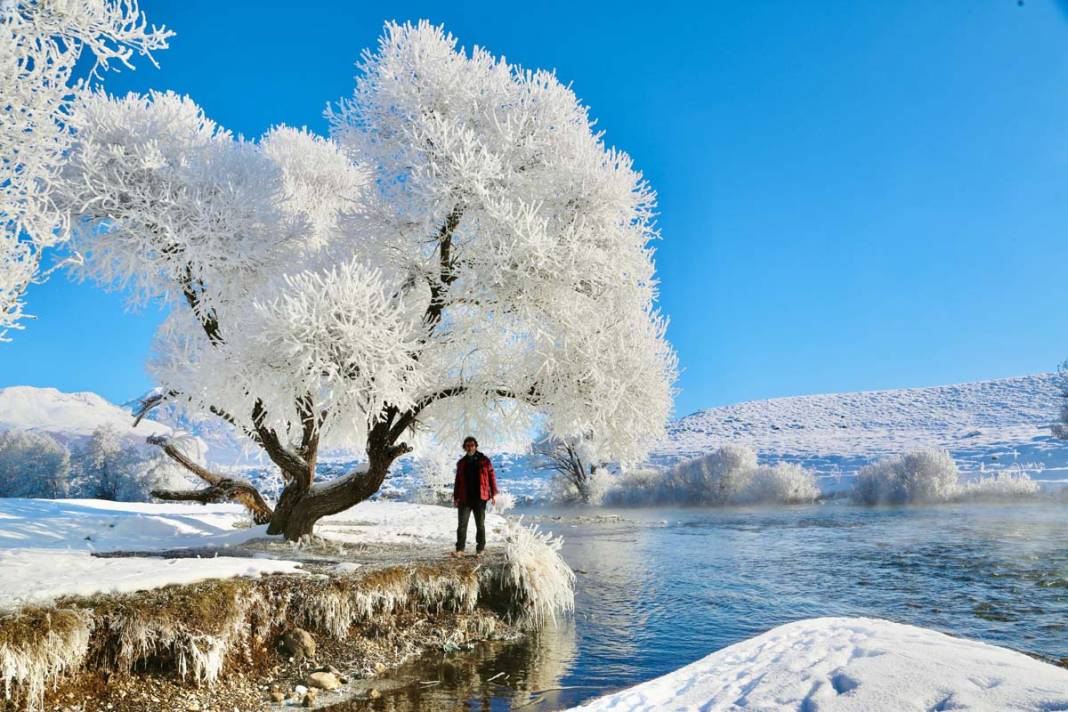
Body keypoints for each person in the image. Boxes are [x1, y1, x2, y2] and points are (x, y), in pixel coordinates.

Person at [452, 436, 498, 557]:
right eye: (467, 445)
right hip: (464, 498)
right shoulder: (461, 463)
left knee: (480, 525)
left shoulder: (485, 460)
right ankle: (460, 549)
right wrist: (456, 497)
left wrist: (493, 494)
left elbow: (492, 477)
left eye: (472, 445)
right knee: (462, 525)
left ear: (476, 446)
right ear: (465, 447)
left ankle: (480, 549)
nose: (470, 447)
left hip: (480, 498)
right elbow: (457, 481)